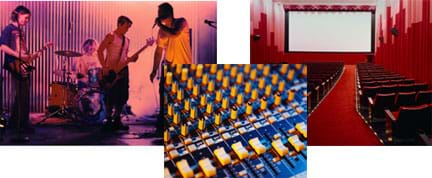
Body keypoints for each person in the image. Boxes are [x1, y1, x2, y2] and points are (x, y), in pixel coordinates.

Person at [97, 16, 154, 132]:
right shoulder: (111, 36)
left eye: (129, 27)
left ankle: (117, 119)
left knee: (122, 95)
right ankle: (108, 119)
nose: (127, 29)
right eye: (126, 26)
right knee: (110, 96)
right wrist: (104, 67)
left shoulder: (127, 40)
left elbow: (125, 57)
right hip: (110, 69)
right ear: (119, 24)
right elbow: (99, 51)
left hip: (123, 70)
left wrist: (133, 59)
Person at [0, 6, 40, 140]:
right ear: (18, 15)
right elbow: (2, 46)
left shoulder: (18, 31)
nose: (27, 21)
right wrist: (17, 55)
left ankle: (16, 122)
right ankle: (21, 126)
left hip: (19, 63)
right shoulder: (9, 29)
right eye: (26, 18)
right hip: (14, 64)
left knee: (22, 94)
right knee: (22, 94)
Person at [150, 2, 192, 83]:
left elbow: (174, 33)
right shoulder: (161, 30)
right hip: (168, 69)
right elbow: (159, 52)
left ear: (168, 13)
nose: (158, 15)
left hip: (183, 68)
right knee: (163, 93)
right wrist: (154, 70)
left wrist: (160, 25)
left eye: (160, 12)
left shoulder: (181, 22)